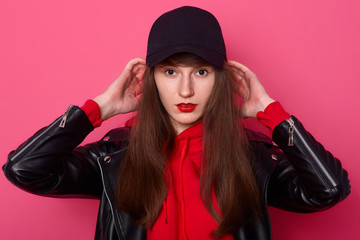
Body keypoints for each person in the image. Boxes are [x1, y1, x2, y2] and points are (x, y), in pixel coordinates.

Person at [3, 6, 350, 240]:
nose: (185, 89)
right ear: (151, 79)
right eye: (170, 72)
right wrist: (100, 108)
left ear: (222, 78)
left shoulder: (253, 158)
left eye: (200, 72)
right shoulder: (114, 160)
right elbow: (23, 169)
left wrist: (271, 113)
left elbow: (329, 190)